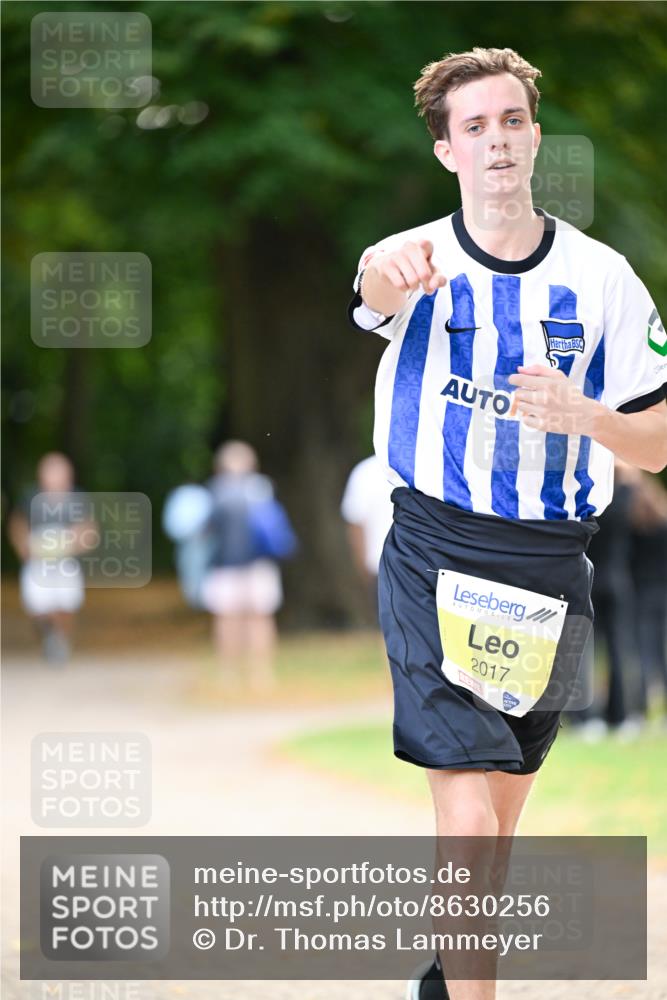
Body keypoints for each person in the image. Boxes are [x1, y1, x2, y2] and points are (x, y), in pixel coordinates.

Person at [347, 47, 667, 1000]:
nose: (495, 140)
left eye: (511, 121)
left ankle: (446, 980)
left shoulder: (603, 278)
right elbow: (372, 290)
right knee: (469, 818)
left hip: (550, 565)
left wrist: (587, 417)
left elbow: (655, 441)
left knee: (499, 819)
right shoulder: (411, 256)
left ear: (534, 137)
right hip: (433, 549)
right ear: (447, 150)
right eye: (474, 126)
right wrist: (383, 273)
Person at [200, 440, 293, 692]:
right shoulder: (262, 489)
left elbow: (206, 531)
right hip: (258, 564)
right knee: (258, 619)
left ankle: (229, 674)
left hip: (226, 565)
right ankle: (261, 674)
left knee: (229, 619)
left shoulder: (215, 492)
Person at [7, 452, 97, 664]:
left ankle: (60, 641)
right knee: (39, 607)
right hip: (38, 564)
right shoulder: (30, 498)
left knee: (66, 605)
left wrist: (76, 542)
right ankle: (49, 634)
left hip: (66, 563)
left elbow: (90, 530)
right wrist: (24, 547)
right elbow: (17, 524)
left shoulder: (78, 499)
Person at [340, 454, 394, 623]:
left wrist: (361, 563)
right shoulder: (419, 464)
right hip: (418, 559)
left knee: (388, 624)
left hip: (379, 562)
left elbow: (355, 523)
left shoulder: (364, 471)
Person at [630, 472, 667, 720]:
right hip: (663, 592)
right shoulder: (664, 525)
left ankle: (643, 707)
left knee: (643, 652)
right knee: (662, 651)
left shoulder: (635, 528)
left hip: (641, 594)